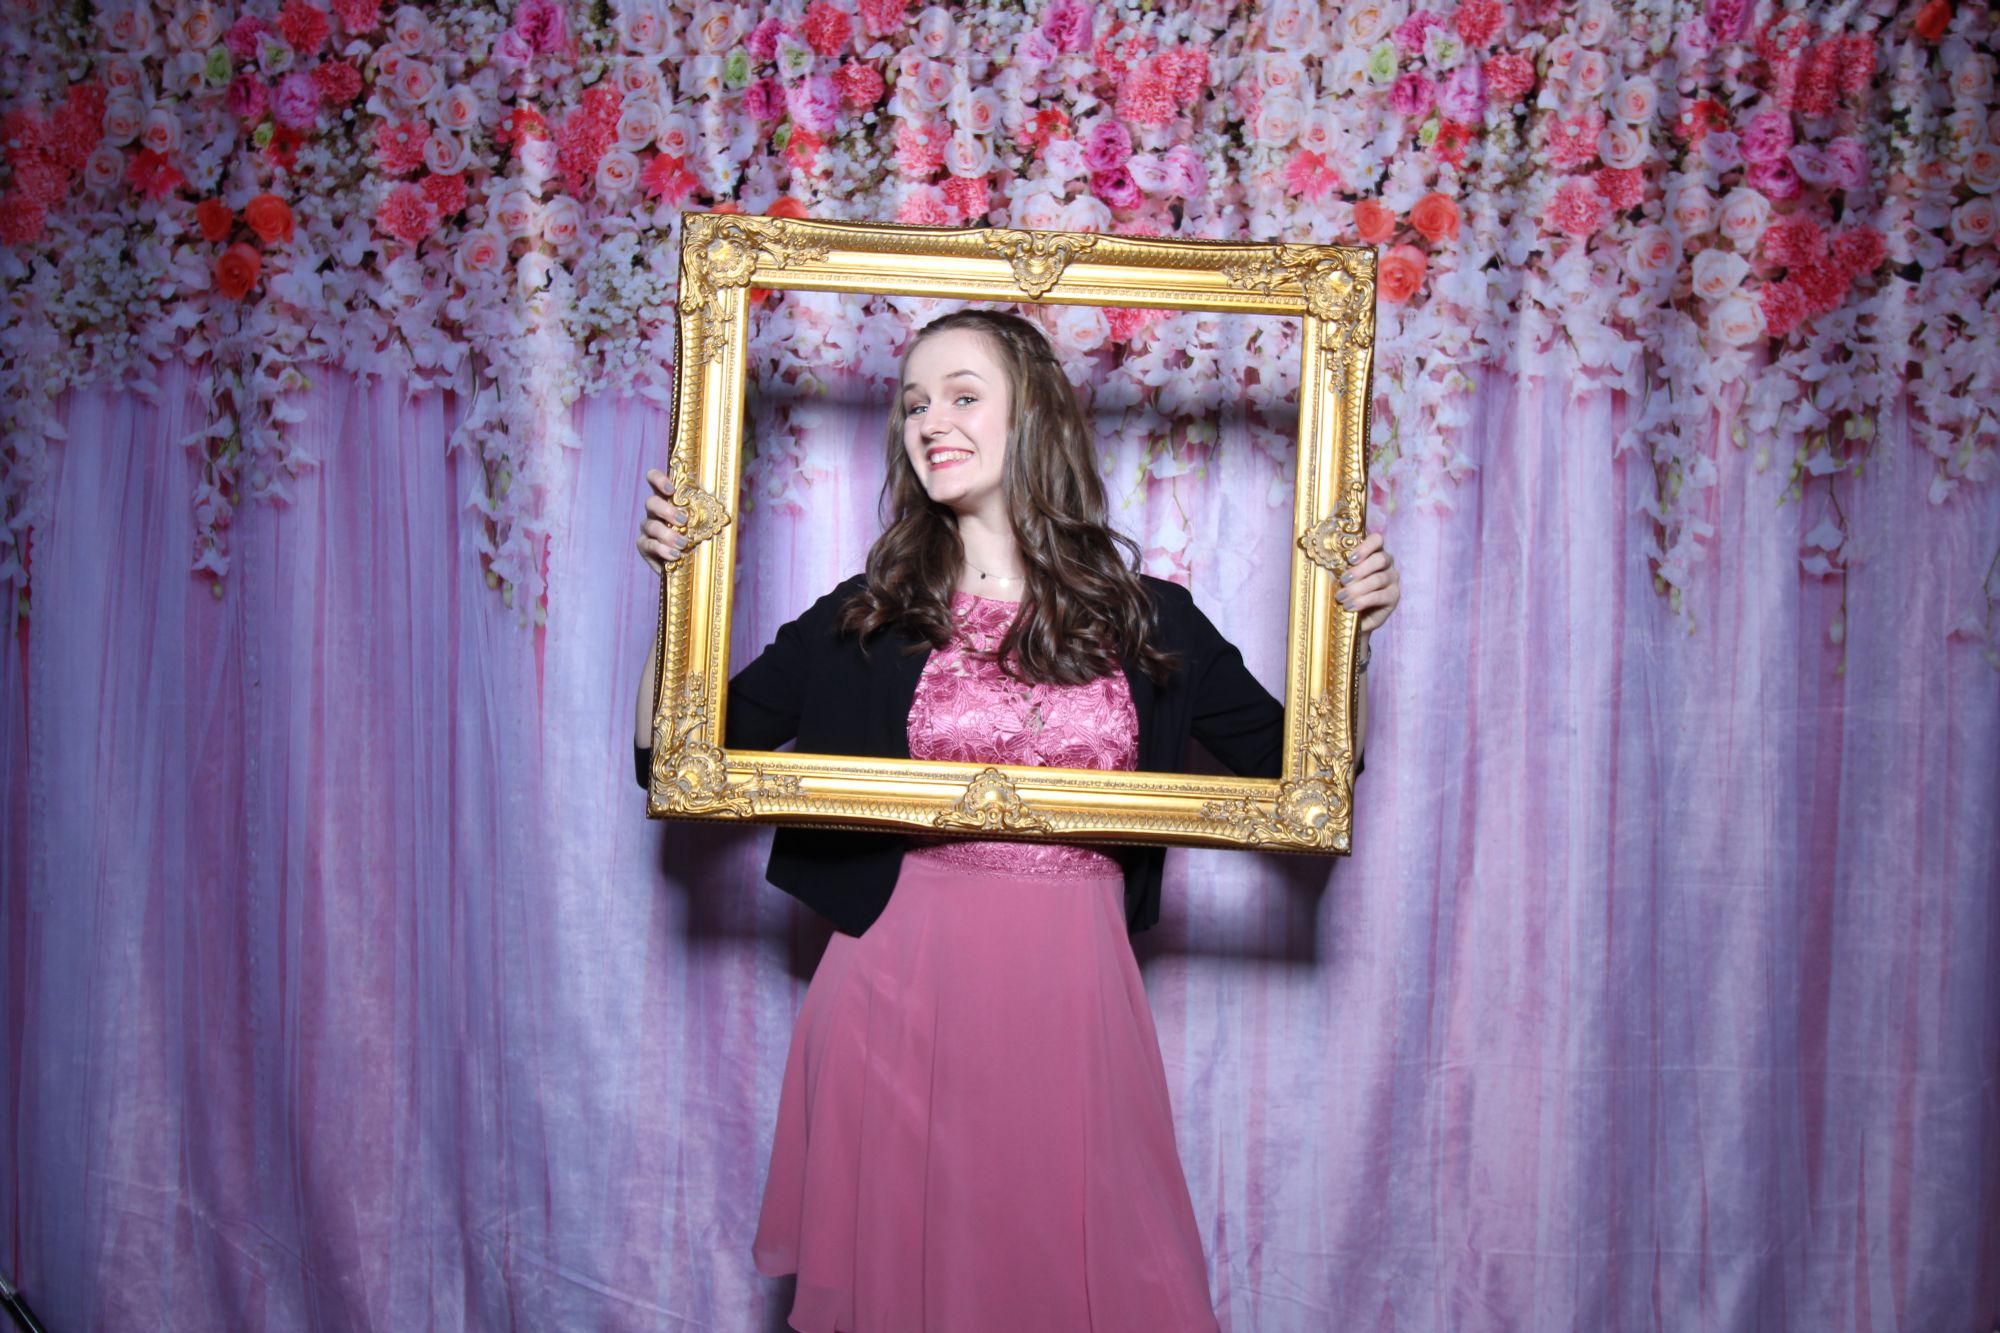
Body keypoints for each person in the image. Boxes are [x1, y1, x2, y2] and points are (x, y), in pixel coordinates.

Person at [633, 309, 1400, 1333]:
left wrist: (1350, 638)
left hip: (1074, 1006)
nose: (928, 421)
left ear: (1032, 414)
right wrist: (676, 590)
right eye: (913, 403)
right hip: (894, 999)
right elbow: (675, 755)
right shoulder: (867, 615)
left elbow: (1308, 773)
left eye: (961, 395)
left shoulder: (1151, 619)